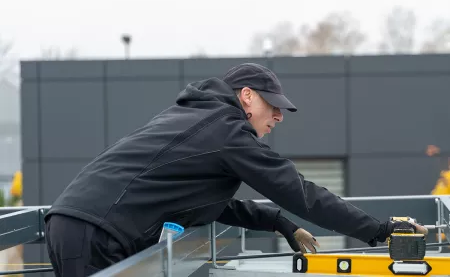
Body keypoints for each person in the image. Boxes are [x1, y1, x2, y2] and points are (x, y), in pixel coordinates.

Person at [44, 63, 427, 276]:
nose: (278, 115)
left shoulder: (203, 123)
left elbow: (209, 206)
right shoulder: (225, 131)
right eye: (272, 104)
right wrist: (380, 230)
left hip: (83, 225)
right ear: (246, 96)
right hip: (93, 232)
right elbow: (300, 191)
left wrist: (279, 222)